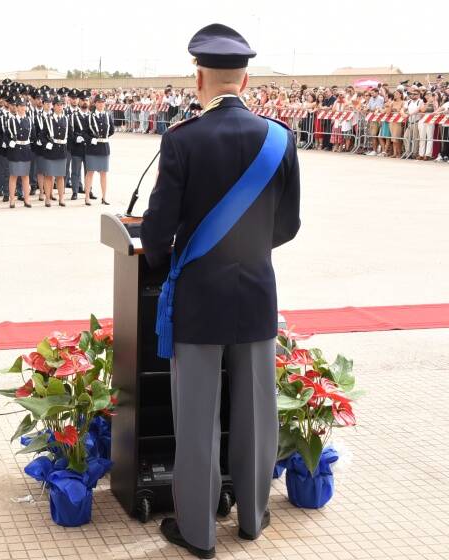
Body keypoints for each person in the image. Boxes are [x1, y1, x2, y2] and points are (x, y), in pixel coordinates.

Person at [140, 23, 300, 559]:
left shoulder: (182, 139)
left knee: (197, 418)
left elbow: (158, 230)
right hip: (255, 291)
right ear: (246, 79)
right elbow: (289, 224)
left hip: (199, 300)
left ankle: (198, 532)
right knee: (258, 411)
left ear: (200, 77)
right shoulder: (279, 137)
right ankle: (253, 519)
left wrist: (166, 259)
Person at [38, 97, 70, 207]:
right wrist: (46, 143)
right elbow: (41, 136)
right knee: (49, 176)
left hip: (62, 150)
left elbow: (69, 135)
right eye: (58, 105)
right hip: (51, 151)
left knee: (60, 176)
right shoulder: (48, 119)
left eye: (62, 105)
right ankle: (47, 198)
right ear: (54, 106)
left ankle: (61, 198)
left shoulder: (66, 119)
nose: (60, 107)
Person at [84, 94, 115, 205]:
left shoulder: (108, 115)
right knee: (90, 172)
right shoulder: (89, 116)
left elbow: (111, 130)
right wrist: (91, 139)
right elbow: (84, 132)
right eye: (99, 102)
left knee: (103, 173)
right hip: (92, 148)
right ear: (95, 103)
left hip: (104, 147)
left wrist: (102, 138)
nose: (101, 104)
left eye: (103, 102)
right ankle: (87, 196)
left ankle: (104, 197)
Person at [5, 97, 35, 208]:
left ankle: (26, 199)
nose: (23, 108)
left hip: (25, 150)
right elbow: (6, 136)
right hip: (15, 150)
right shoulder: (11, 120)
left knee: (25, 176)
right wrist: (9, 142)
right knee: (13, 176)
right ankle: (12, 200)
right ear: (16, 107)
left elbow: (33, 136)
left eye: (24, 106)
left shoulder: (29, 120)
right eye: (20, 106)